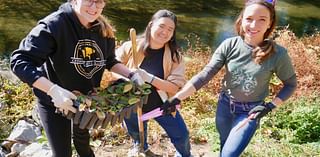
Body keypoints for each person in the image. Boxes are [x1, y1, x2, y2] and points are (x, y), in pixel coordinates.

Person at [162, 0, 297, 156]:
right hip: (225, 107)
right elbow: (205, 74)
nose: (254, 25)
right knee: (224, 144)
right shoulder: (230, 45)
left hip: (250, 113)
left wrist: (269, 106)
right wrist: (177, 98)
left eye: (262, 19)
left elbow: (291, 84)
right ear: (241, 20)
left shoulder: (278, 54)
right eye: (249, 19)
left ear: (270, 23)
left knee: (229, 154)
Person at [10, 0, 144, 157]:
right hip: (55, 103)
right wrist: (53, 90)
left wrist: (131, 74)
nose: (94, 7)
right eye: (89, 1)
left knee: (83, 142)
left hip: (86, 102)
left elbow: (109, 61)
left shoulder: (102, 30)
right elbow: (19, 61)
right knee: (62, 153)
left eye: (99, 1)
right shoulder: (54, 25)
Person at [115, 9, 192, 157]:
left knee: (182, 135)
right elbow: (113, 66)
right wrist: (128, 77)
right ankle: (141, 149)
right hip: (132, 103)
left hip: (162, 105)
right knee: (137, 134)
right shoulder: (131, 46)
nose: (165, 32)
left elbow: (174, 87)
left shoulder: (175, 56)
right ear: (151, 25)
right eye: (161, 26)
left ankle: (184, 155)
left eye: (170, 29)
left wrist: (148, 77)